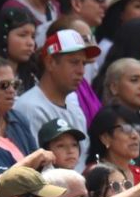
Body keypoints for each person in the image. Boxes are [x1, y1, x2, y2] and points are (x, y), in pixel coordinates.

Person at [13, 29, 96, 168]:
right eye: (74, 62)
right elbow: (34, 168)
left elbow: (81, 163)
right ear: (50, 62)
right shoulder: (28, 107)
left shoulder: (75, 108)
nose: (81, 71)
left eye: (84, 63)